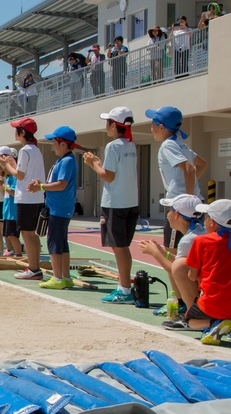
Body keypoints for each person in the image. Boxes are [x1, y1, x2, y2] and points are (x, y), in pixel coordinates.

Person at [83, 107, 139, 304]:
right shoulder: (130, 146)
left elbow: (108, 176)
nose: (105, 125)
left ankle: (124, 290)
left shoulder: (113, 146)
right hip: (131, 202)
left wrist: (91, 164)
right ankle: (124, 287)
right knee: (124, 247)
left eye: (107, 122)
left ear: (114, 125)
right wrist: (98, 163)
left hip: (115, 203)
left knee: (119, 248)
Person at [147, 106, 208, 254]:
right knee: (192, 251)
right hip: (197, 205)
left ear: (161, 127)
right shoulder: (180, 143)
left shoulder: (167, 145)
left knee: (172, 252)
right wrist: (190, 189)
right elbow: (202, 164)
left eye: (153, 124)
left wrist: (186, 200)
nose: (151, 128)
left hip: (180, 208)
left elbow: (188, 168)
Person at [138, 194, 205, 323]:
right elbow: (186, 264)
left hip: (206, 287)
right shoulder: (198, 231)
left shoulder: (187, 240)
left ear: (176, 214)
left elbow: (176, 270)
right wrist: (164, 253)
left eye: (169, 210)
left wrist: (155, 253)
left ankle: (193, 314)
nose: (167, 214)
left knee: (180, 268)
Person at [28, 125, 81, 290]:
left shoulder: (66, 161)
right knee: (62, 243)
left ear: (63, 144)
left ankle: (58, 278)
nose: (53, 146)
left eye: (55, 142)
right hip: (60, 207)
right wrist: (42, 185)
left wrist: (41, 187)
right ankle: (65, 277)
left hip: (59, 208)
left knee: (54, 243)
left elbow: (61, 184)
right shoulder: (65, 160)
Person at [0, 117, 45, 280]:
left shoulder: (25, 150)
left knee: (27, 233)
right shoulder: (36, 150)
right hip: (35, 197)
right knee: (32, 234)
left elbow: (20, 175)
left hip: (26, 197)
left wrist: (7, 166)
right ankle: (35, 267)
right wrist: (12, 164)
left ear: (23, 132)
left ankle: (33, 268)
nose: (14, 132)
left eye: (17, 129)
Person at [178, 199, 231, 334]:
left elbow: (192, 276)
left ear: (212, 222)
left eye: (206, 217)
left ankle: (217, 323)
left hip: (212, 303)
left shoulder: (202, 241)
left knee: (190, 320)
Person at [0, 146, 21, 257]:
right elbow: (5, 192)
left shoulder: (14, 177)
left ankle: (18, 254)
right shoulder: (9, 177)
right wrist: (0, 184)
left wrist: (2, 185)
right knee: (7, 234)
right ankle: (10, 251)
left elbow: (14, 192)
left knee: (12, 235)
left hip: (13, 212)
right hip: (7, 211)